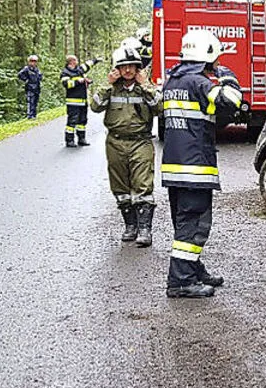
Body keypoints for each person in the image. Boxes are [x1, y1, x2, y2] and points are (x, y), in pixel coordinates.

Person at [160, 28, 243, 299]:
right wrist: (228, 77)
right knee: (194, 224)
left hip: (175, 167)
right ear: (207, 56)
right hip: (195, 168)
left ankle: (193, 270)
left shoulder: (173, 81)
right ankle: (181, 281)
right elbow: (231, 101)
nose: (218, 61)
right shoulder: (199, 82)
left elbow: (208, 113)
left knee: (184, 222)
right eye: (216, 57)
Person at [91, 43, 162, 246]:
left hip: (141, 142)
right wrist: (108, 84)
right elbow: (95, 106)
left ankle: (145, 229)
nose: (128, 70)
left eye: (132, 66)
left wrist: (146, 85)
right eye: (124, 66)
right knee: (120, 187)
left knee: (142, 184)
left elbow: (160, 107)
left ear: (138, 68)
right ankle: (130, 225)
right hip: (115, 142)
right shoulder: (111, 89)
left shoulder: (146, 88)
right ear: (117, 69)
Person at [61, 55, 101, 147]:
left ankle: (81, 139)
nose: (77, 61)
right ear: (71, 61)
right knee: (72, 121)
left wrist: (96, 60)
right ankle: (69, 140)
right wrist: (78, 81)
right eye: (75, 60)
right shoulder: (65, 72)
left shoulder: (79, 70)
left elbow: (87, 65)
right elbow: (66, 84)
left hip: (83, 101)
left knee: (82, 121)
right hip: (73, 102)